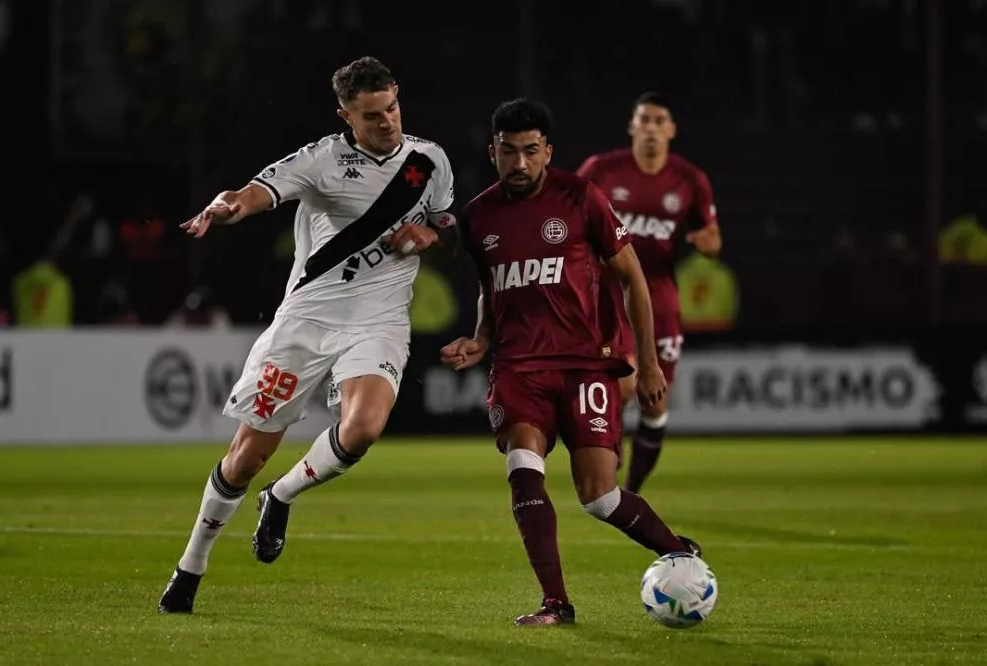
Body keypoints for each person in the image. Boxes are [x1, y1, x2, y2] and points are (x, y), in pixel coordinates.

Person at [158, 56, 456, 613]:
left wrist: (427, 235)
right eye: (371, 115)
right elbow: (253, 193)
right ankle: (191, 565)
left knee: (363, 427)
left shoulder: (429, 160)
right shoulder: (321, 160)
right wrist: (227, 208)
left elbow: (445, 225)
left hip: (379, 321)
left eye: (391, 107)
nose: (387, 121)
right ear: (346, 116)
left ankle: (283, 494)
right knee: (246, 457)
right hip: (306, 322)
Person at [441, 98, 700, 627]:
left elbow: (634, 279)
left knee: (600, 497)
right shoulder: (477, 217)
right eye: (508, 152)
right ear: (493, 152)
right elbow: (490, 287)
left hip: (585, 364)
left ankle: (678, 553)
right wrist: (480, 337)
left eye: (530, 152)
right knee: (522, 467)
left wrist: (647, 364)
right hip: (519, 367)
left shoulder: (582, 197)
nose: (519, 163)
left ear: (547, 152)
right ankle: (556, 603)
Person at [577, 92, 722, 493]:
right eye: (646, 120)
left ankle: (633, 490)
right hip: (608, 296)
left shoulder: (690, 180)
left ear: (671, 130)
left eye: (660, 121)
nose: (652, 129)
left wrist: (707, 242)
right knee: (622, 388)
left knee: (655, 404)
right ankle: (606, 474)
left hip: (659, 299)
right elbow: (569, 212)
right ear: (632, 127)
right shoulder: (602, 170)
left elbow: (713, 240)